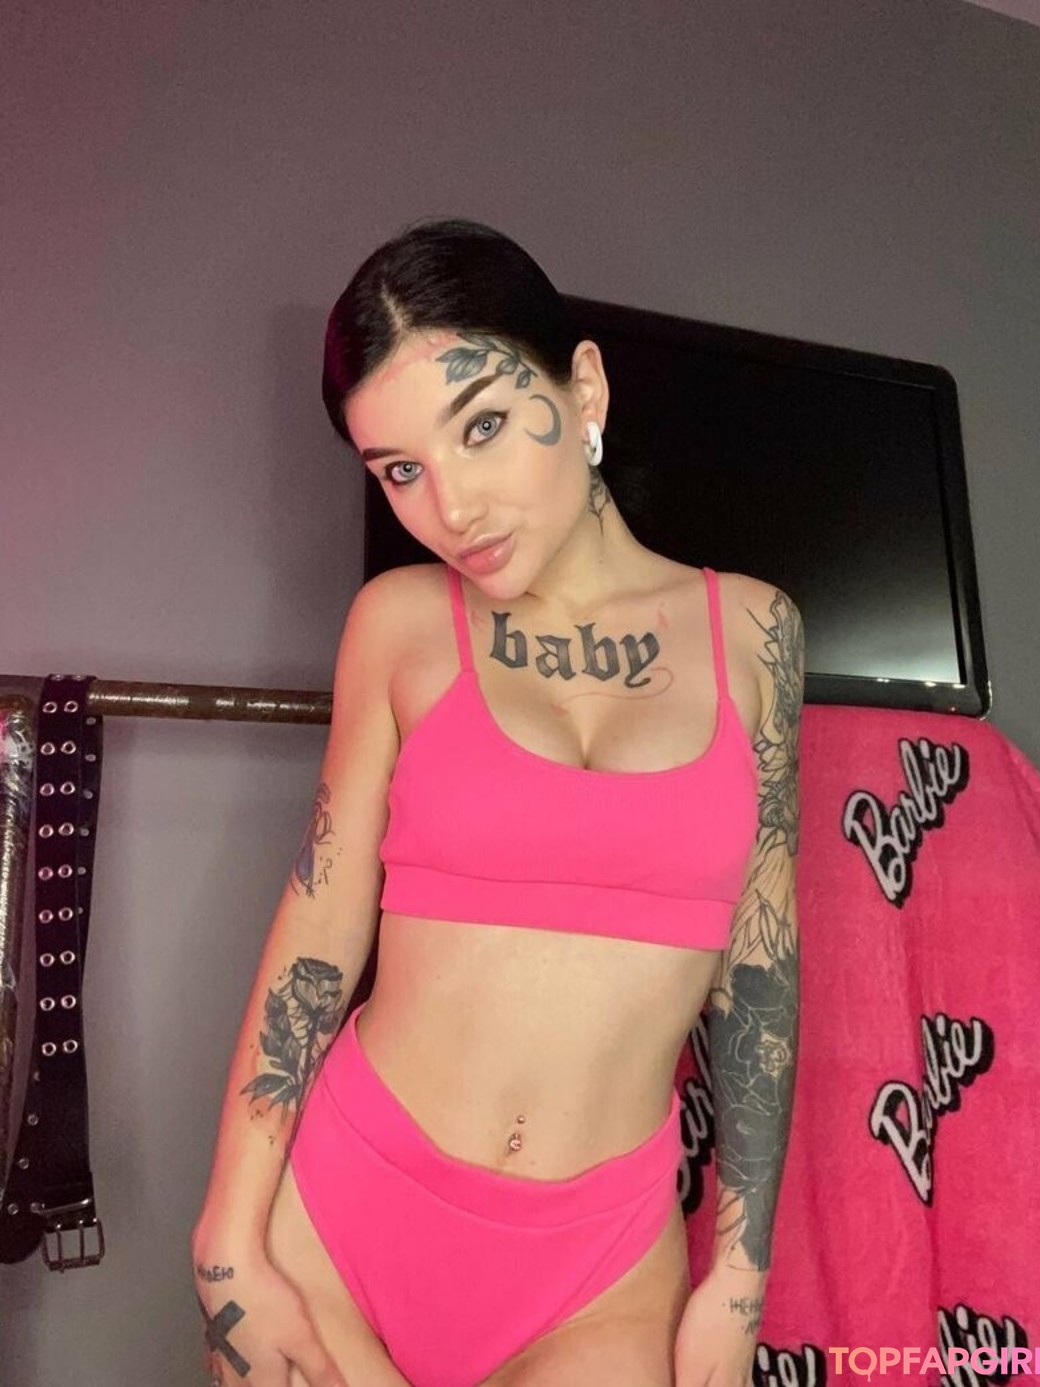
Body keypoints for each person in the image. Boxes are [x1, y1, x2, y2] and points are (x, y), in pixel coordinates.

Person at [192, 217, 804, 1387]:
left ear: (585, 388)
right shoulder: (397, 625)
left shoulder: (755, 633)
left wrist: (739, 1278)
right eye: (401, 470)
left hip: (598, 1277)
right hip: (341, 1222)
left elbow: (762, 966)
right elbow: (321, 927)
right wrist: (228, 1236)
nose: (452, 507)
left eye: (480, 427)